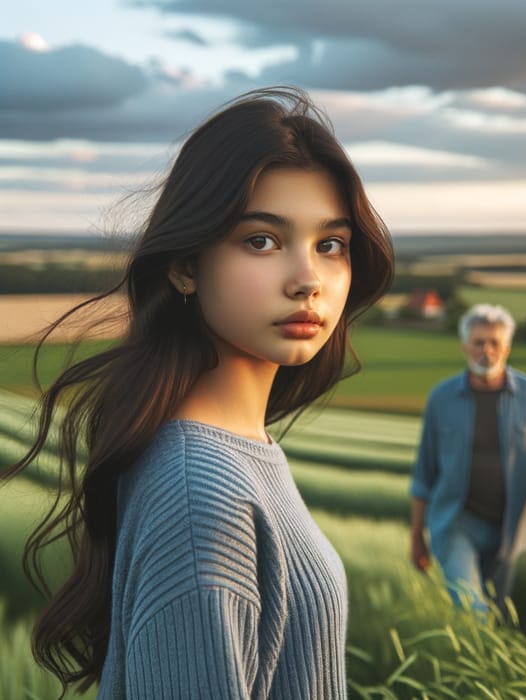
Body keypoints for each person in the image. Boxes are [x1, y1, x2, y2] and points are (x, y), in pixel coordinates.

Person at [3, 87, 393, 698]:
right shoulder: (202, 497)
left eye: (330, 245)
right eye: (261, 240)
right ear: (186, 266)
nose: (308, 280)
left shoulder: (236, 450)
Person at [409, 304, 526, 611]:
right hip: (454, 523)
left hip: (510, 530)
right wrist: (417, 536)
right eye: (479, 342)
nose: (486, 350)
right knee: (473, 611)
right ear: (465, 347)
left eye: (494, 343)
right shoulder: (441, 398)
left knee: (496, 611)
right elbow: (424, 475)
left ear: (507, 348)